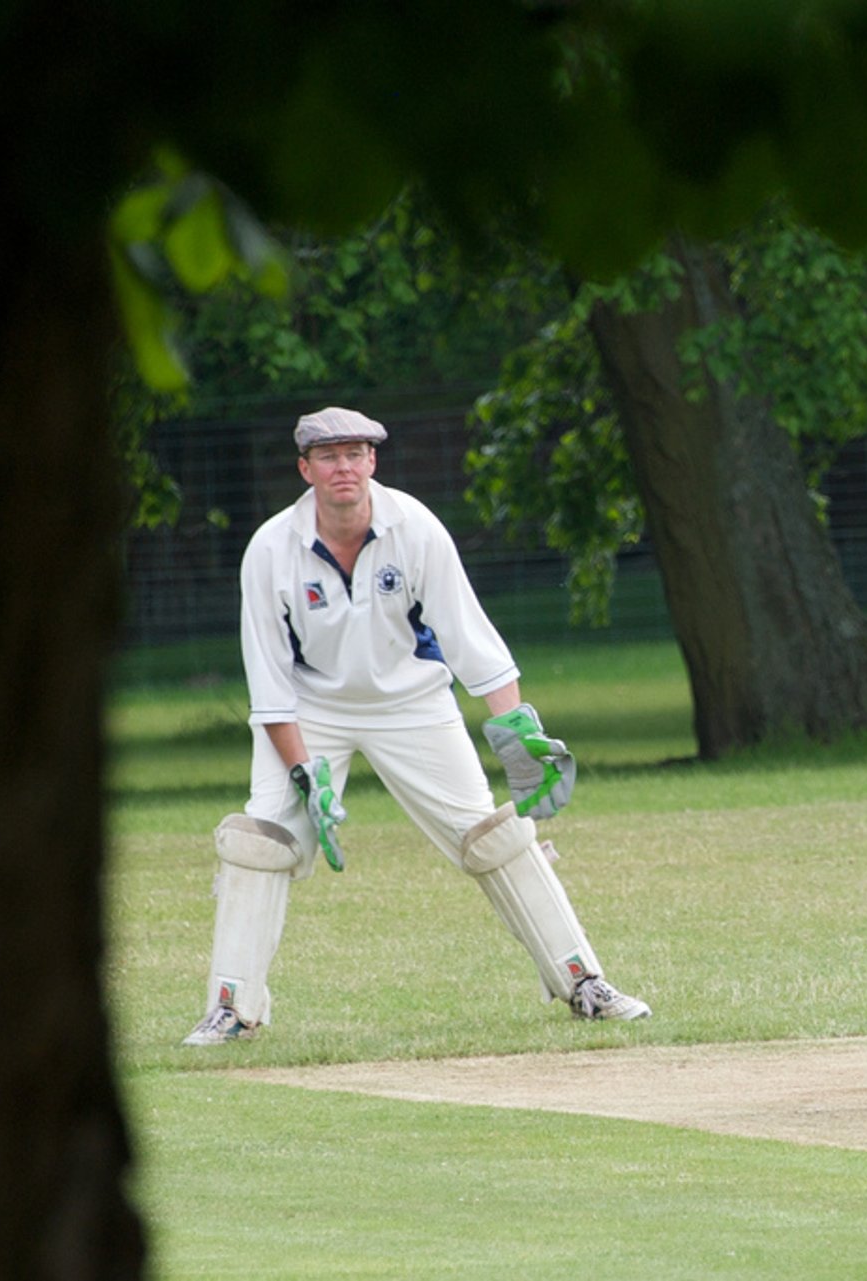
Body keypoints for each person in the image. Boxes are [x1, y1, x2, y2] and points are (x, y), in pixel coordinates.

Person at [182, 406, 649, 1045]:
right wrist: (301, 771)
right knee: (260, 842)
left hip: (414, 703)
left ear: (372, 462)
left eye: (355, 454)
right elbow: (268, 682)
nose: (343, 467)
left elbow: (469, 638)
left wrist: (517, 731)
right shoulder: (270, 549)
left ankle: (583, 983)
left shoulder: (416, 528)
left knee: (495, 836)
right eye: (328, 456)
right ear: (305, 468)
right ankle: (231, 1008)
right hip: (313, 709)